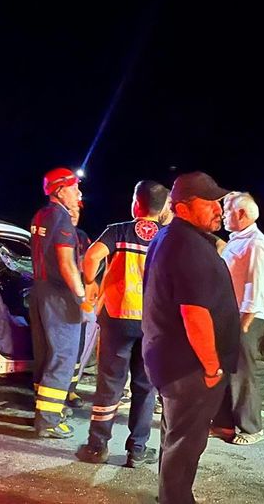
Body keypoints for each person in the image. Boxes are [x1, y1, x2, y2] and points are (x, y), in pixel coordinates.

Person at [142, 171, 241, 504]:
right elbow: (194, 314)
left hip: (172, 361)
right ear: (183, 207)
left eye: (219, 202)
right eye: (209, 202)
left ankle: (169, 495)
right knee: (186, 443)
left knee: (175, 436)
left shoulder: (172, 238)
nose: (218, 209)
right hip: (190, 367)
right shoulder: (187, 245)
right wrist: (212, 367)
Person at [75, 180, 168, 468]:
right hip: (153, 324)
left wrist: (90, 282)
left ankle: (97, 446)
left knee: (110, 383)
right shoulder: (169, 237)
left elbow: (92, 257)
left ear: (136, 204)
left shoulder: (118, 231)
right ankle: (137, 450)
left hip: (117, 318)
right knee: (145, 386)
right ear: (163, 208)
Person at [29, 167, 93, 439]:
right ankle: (49, 420)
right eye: (74, 188)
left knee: (45, 355)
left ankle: (43, 410)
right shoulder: (62, 218)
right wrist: (82, 299)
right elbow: (67, 264)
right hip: (59, 295)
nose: (79, 193)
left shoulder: (40, 215)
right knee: (64, 356)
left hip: (39, 291)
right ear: (59, 190)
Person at [213, 192, 264, 445]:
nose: (223, 215)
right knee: (224, 372)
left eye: (227, 211)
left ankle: (251, 428)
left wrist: (244, 324)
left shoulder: (256, 244)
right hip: (229, 317)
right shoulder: (237, 240)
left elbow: (255, 288)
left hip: (245, 318)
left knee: (242, 374)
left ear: (241, 214)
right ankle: (223, 425)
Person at [66, 202, 97, 409]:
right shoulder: (57, 234)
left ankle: (71, 389)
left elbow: (89, 262)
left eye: (77, 211)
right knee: (61, 348)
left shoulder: (82, 237)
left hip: (80, 298)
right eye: (70, 211)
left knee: (78, 346)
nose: (74, 215)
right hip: (61, 297)